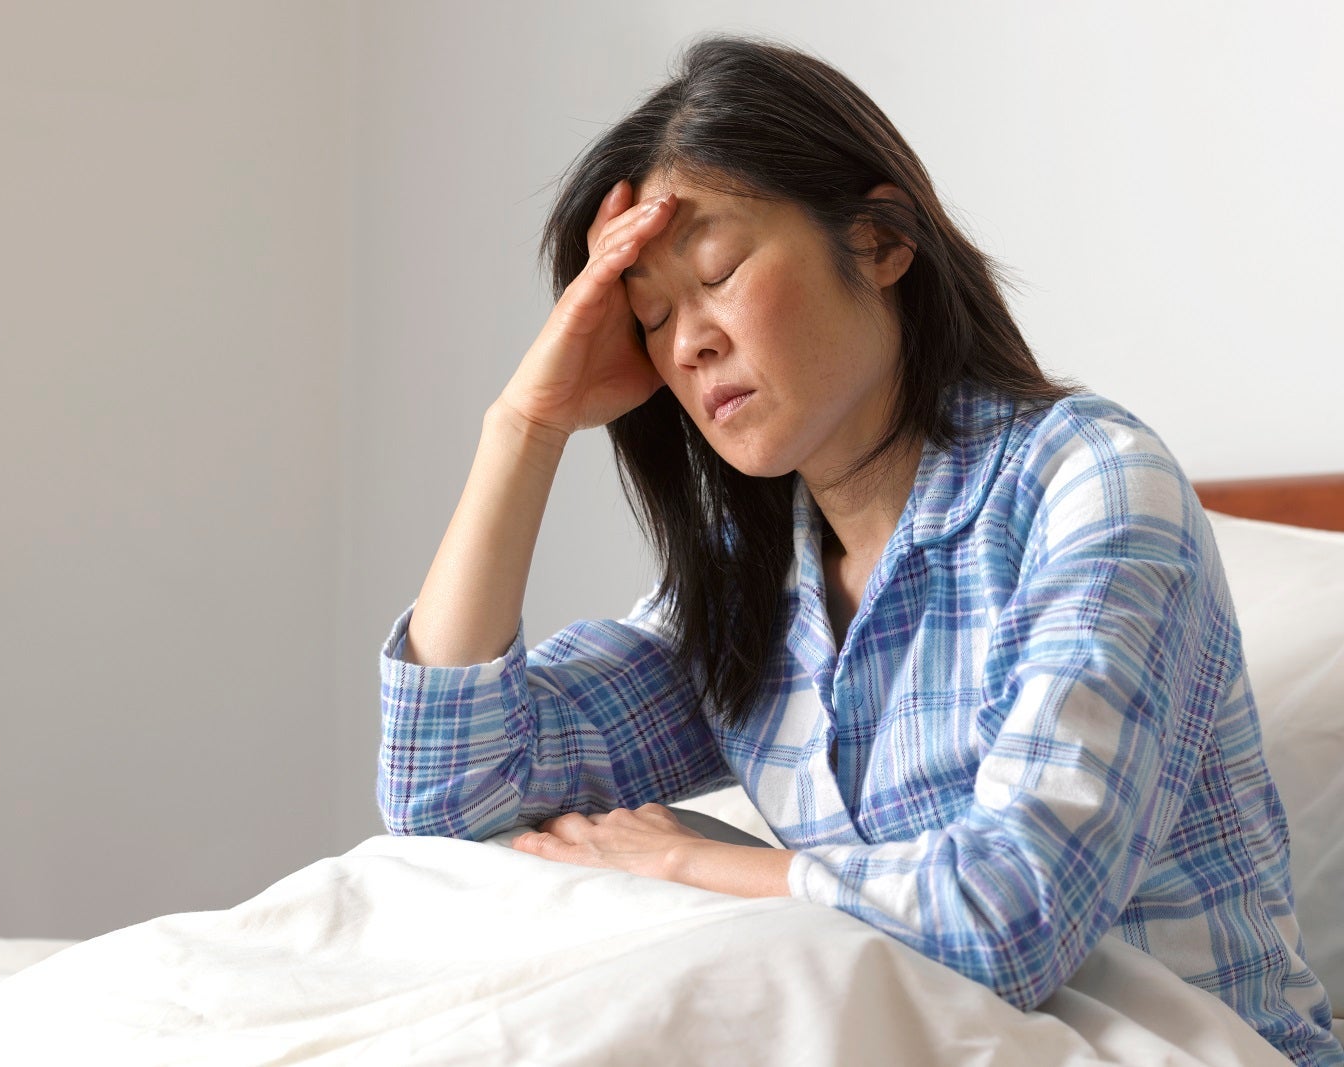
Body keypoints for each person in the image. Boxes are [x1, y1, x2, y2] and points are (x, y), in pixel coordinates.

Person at [375, 35, 1341, 1065]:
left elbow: (1012, 913)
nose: (688, 342)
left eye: (719, 273)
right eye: (652, 317)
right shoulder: (751, 576)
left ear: (880, 242)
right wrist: (524, 426)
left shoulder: (1091, 483)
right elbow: (450, 790)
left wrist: (691, 861)